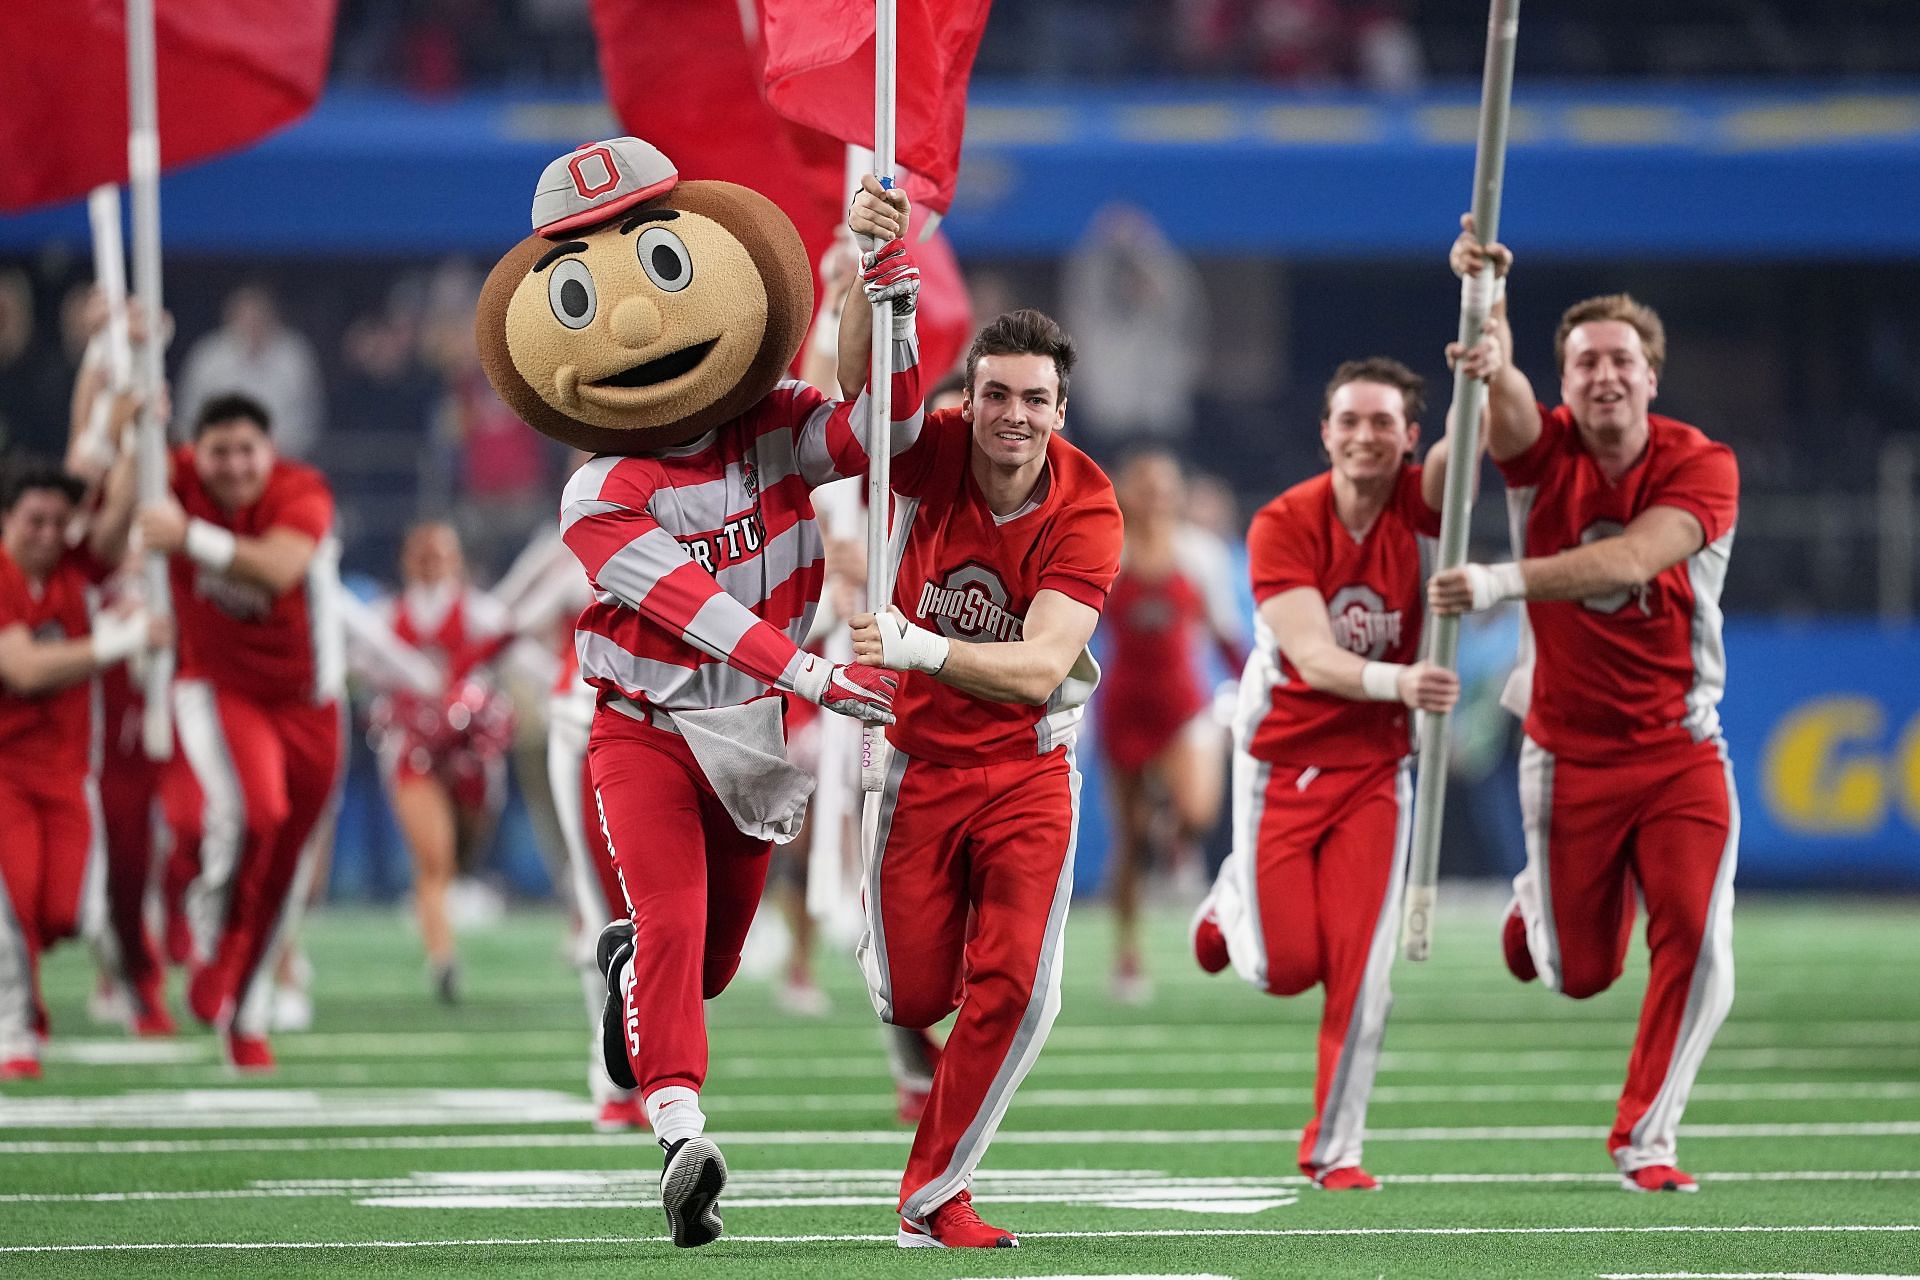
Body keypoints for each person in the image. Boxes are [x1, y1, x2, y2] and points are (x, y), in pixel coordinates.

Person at [571, 173, 920, 1249]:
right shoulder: (600, 490)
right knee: (677, 926)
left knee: (712, 961)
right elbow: (703, 611)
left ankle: (630, 971)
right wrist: (816, 675)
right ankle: (680, 1138)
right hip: (649, 727)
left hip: (751, 736)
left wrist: (884, 290)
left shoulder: (772, 424)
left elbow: (886, 435)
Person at [1431, 218, 1740, 1195]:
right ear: (1565, 380)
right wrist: (1490, 310)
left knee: (1698, 932)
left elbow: (1633, 556)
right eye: (1584, 362)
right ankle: (1535, 906)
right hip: (1565, 751)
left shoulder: (1702, 464)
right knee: (1577, 972)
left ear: (1652, 374)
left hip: (1681, 745)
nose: (1603, 375)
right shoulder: (1544, 446)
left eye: (1620, 360)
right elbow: (1504, 394)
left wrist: (1497, 580)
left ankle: (1646, 1135)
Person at [847, 308, 1124, 1249]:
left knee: (1021, 991)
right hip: (915, 762)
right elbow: (864, 395)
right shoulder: (927, 453)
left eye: (1035, 398)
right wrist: (873, 290)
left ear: (1062, 409)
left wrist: (915, 643)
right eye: (996, 393)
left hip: (1027, 765)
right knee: (911, 999)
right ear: (970, 398)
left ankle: (932, 1197)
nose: (1013, 414)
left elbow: (1041, 666)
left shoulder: (1088, 505)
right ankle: (950, 959)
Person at [1190, 351, 1489, 1190]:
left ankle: (1335, 1147)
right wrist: (1405, 679)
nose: (1366, 436)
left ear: (1409, 437)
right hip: (1283, 754)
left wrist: (1485, 354)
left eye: (1384, 422)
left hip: (1378, 763)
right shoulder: (1282, 523)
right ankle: (1230, 897)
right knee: (1288, 970)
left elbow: (1472, 445)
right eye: (1350, 421)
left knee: (1361, 969)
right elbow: (1315, 655)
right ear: (1326, 432)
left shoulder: (1429, 507)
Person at [138, 392, 346, 1071]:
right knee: (255, 812)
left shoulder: (301, 489)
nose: (232, 466)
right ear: (195, 452)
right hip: (220, 688)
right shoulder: (170, 477)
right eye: (217, 452)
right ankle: (218, 941)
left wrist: (190, 537)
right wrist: (120, 405)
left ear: (270, 450)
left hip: (310, 701)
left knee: (287, 869)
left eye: (246, 451)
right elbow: (112, 486)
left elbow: (279, 566)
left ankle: (248, 1011)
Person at [0, 441, 158, 1079]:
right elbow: (27, 669)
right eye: (31, 521)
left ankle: (22, 999)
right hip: (5, 774)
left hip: (67, 775)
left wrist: (131, 425)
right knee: (15, 905)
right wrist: (119, 641)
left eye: (54, 522)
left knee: (65, 913)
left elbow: (118, 513)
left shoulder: (73, 569)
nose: (45, 534)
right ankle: (15, 1032)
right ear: (5, 521)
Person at [1099, 449, 1246, 1003]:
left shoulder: (1202, 554)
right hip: (1124, 706)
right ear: (1125, 491)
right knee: (1129, 842)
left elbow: (1227, 632)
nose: (1157, 496)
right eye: (1146, 485)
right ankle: (1128, 954)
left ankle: (1175, 835)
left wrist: (1257, 686)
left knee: (1198, 811)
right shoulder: (1108, 551)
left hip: (1185, 707)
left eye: (1166, 486)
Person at [367, 522, 514, 1002]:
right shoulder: (385, 616)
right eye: (421, 552)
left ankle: (452, 898)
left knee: (463, 856)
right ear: (406, 560)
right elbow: (354, 665)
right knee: (434, 860)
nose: (430, 560)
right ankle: (442, 958)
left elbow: (517, 656)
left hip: (470, 752)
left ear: (457, 559)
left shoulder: (480, 612)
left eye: (440, 552)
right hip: (415, 749)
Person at [174, 285, 325, 460]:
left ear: (274, 317)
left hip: (282, 463)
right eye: (245, 316)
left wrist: (269, 454)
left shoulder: (295, 355)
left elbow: (309, 419)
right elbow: (188, 417)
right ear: (230, 317)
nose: (253, 323)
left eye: (260, 316)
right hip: (217, 464)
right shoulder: (208, 357)